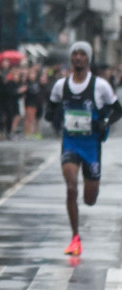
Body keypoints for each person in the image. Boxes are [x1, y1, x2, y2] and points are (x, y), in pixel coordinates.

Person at [45, 41, 122, 257]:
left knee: (89, 199)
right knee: (71, 188)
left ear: (88, 59)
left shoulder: (100, 86)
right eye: (75, 54)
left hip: (91, 146)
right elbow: (50, 108)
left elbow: (118, 110)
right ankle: (75, 238)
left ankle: (84, 208)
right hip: (70, 143)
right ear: (71, 59)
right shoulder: (61, 85)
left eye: (82, 54)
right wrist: (53, 116)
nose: (78, 57)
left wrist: (104, 123)